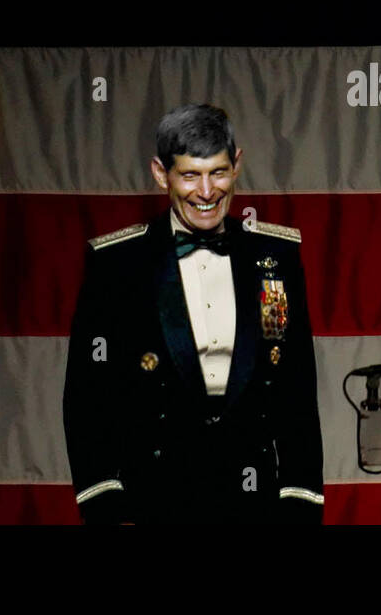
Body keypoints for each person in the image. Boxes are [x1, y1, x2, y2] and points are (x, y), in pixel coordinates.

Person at [63, 104, 324, 524]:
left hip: (253, 504)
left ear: (237, 164)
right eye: (189, 175)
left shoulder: (275, 257)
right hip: (152, 504)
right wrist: (108, 510)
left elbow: (296, 393)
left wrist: (301, 503)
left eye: (218, 172)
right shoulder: (117, 264)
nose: (206, 192)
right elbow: (87, 400)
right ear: (159, 173)